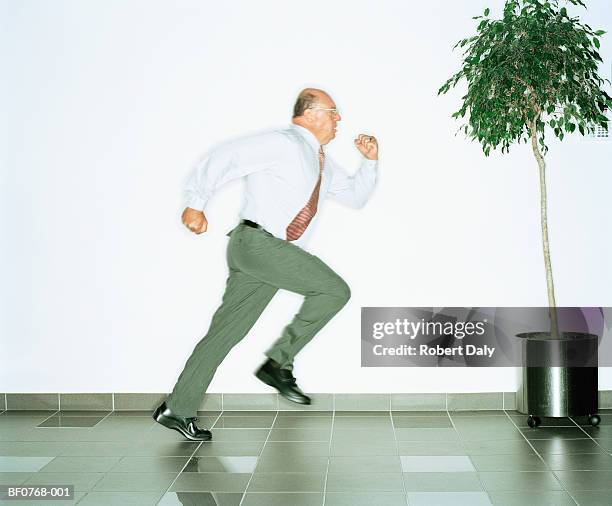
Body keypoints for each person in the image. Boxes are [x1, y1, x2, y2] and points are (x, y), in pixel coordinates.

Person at [153, 88, 379, 441]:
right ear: (310, 113)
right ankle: (278, 363)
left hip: (264, 255)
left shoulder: (321, 162)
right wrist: (195, 203)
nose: (339, 119)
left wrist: (369, 162)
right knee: (334, 290)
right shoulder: (284, 143)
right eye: (333, 112)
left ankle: (177, 409)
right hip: (258, 244)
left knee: (225, 333)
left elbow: (355, 196)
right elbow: (225, 158)